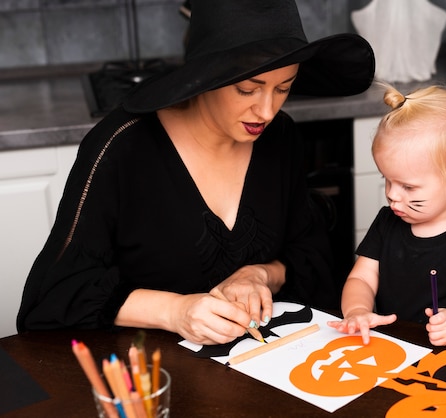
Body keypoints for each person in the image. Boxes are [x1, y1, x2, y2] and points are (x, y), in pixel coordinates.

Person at [16, 0, 375, 345]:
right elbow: (53, 295)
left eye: (284, 87)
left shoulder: (280, 137)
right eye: (247, 89)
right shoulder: (122, 147)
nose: (266, 110)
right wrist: (174, 311)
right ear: (206, 76)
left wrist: (260, 274)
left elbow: (311, 255)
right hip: (154, 377)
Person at [328, 84, 446, 346]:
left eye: (408, 187)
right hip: (390, 349)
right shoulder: (387, 222)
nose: (393, 195)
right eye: (387, 180)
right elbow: (361, 278)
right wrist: (357, 310)